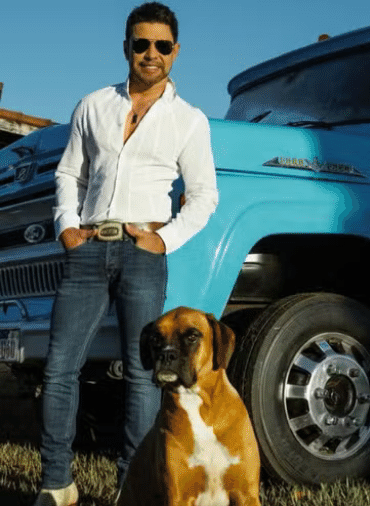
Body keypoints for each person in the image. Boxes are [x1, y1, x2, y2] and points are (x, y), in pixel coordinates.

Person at [35, 3, 218, 505]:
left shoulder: (189, 120)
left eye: (162, 45)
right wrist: (67, 227)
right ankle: (56, 483)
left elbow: (204, 196)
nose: (151, 54)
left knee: (142, 376)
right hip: (88, 250)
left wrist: (164, 240)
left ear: (175, 52)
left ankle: (130, 488)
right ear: (126, 48)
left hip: (143, 255)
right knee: (59, 368)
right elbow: (69, 174)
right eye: (141, 44)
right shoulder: (93, 104)